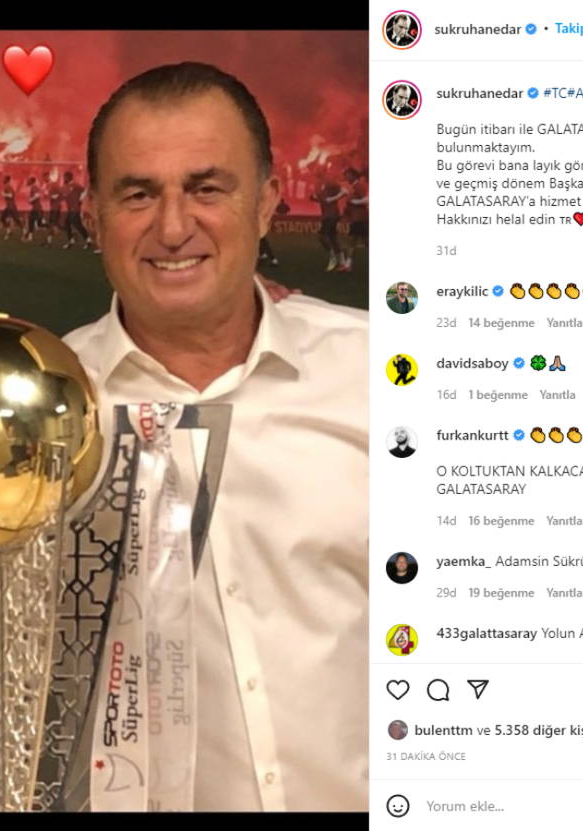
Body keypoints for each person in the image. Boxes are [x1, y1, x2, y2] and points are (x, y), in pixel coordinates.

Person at [67, 61, 368, 811]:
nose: (173, 227)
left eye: (207, 189)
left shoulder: (381, 371)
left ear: (266, 203)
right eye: (138, 194)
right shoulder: (43, 412)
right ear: (93, 215)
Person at [311, 167, 349, 272]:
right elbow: (323, 198)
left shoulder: (329, 181)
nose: (315, 171)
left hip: (332, 214)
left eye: (318, 169)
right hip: (327, 214)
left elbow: (344, 191)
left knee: (322, 236)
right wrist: (315, 198)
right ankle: (342, 263)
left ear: (323, 171)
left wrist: (332, 198)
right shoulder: (318, 183)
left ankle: (333, 258)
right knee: (332, 238)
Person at [60, 171, 93, 250]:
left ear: (69, 177)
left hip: (75, 209)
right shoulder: (66, 186)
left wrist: (80, 200)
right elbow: (65, 195)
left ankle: (88, 240)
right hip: (70, 209)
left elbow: (84, 191)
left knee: (77, 224)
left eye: (65, 177)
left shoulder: (75, 185)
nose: (64, 179)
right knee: (67, 224)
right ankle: (72, 241)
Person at [343, 168, 368, 259]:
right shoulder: (353, 187)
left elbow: (366, 199)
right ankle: (348, 263)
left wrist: (354, 202)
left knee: (352, 240)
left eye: (348, 176)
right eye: (345, 176)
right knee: (364, 240)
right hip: (357, 218)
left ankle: (347, 264)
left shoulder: (359, 185)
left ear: (354, 176)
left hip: (360, 218)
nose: (346, 178)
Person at [0, 174, 22, 240]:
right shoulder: (7, 186)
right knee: (3, 218)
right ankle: (9, 231)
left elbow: (11, 195)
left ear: (7, 180)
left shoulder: (8, 186)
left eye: (4, 179)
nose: (2, 180)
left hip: (11, 206)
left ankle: (24, 231)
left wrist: (3, 194)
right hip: (9, 206)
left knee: (16, 220)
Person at [23, 175, 44, 242]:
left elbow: (37, 195)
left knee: (31, 221)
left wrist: (30, 200)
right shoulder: (33, 187)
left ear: (31, 181)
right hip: (36, 208)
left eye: (28, 180)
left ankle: (29, 237)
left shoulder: (34, 187)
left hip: (36, 208)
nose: (27, 181)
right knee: (36, 223)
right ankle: (29, 236)